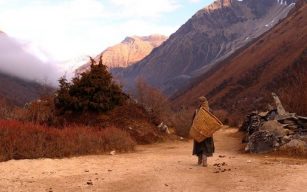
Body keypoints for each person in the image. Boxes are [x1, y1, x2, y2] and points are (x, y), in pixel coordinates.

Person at [192, 96, 215, 167]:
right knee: (206, 146)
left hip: (198, 132)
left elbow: (193, 121)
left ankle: (199, 161)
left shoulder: (196, 111)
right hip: (207, 133)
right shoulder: (210, 110)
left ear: (200, 103)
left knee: (199, 146)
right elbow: (213, 122)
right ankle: (205, 162)